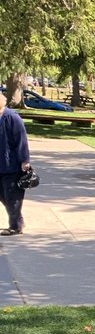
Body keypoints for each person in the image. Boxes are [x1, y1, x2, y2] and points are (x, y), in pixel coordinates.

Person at [0, 92, 31, 237]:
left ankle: (16, 227)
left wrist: (25, 160)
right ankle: (18, 220)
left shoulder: (12, 117)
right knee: (4, 196)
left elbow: (21, 140)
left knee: (13, 197)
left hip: (11, 165)